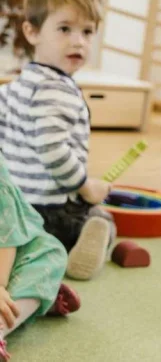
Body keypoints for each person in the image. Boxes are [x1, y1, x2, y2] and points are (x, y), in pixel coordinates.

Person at [0, 0, 115, 281]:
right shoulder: (57, 90)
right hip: (50, 209)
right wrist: (85, 186)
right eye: (65, 29)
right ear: (32, 32)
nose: (79, 41)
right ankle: (75, 245)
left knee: (15, 235)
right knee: (101, 217)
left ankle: (17, 250)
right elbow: (52, 149)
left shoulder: (15, 86)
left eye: (87, 32)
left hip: (11, 208)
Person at [0, 154, 81, 362]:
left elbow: (7, 234)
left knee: (49, 254)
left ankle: (17, 310)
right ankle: (36, 299)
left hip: (8, 256)